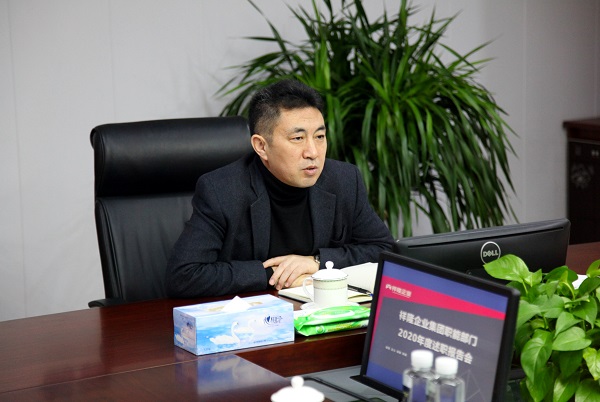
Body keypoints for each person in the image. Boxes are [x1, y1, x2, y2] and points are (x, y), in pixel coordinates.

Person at [166, 79, 394, 298]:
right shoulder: (222, 190)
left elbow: (384, 249)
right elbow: (184, 276)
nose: (313, 152)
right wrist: (275, 274)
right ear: (261, 146)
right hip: (254, 316)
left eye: (320, 136)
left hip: (320, 312)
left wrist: (316, 262)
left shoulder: (343, 180)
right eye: (298, 138)